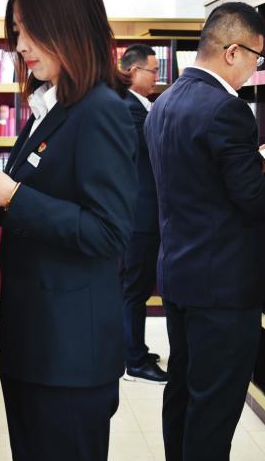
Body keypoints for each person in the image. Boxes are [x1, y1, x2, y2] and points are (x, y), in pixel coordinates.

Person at [0, 0, 138, 461]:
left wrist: (13, 197)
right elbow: (36, 196)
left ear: (69, 26)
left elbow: (109, 232)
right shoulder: (52, 107)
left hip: (69, 356)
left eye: (31, 31)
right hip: (34, 342)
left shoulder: (102, 111)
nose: (21, 46)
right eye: (16, 32)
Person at [144, 1, 265, 461]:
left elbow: (202, 177)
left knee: (183, 387)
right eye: (257, 57)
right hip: (222, 286)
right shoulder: (227, 110)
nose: (256, 68)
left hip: (179, 274)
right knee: (215, 404)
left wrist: (252, 161)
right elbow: (252, 196)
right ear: (233, 51)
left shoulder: (165, 102)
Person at [118, 44, 168, 384]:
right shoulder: (130, 110)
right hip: (139, 215)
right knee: (133, 289)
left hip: (143, 213)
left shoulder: (141, 106)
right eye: (153, 71)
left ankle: (134, 348)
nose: (157, 78)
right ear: (134, 71)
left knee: (135, 287)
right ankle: (133, 359)